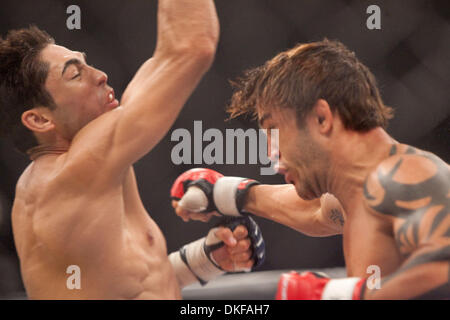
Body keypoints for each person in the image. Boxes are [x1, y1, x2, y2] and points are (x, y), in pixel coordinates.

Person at [0, 0, 265, 299]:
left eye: (86, 62)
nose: (99, 74)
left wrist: (203, 260)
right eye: (75, 74)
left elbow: (125, 283)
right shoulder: (73, 172)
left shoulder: (94, 169)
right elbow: (192, 45)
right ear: (39, 119)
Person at [171, 39, 450, 299]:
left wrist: (331, 294)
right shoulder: (357, 194)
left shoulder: (407, 175)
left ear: (321, 118)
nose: (272, 154)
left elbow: (444, 270)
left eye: (274, 131)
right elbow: (313, 210)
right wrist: (225, 193)